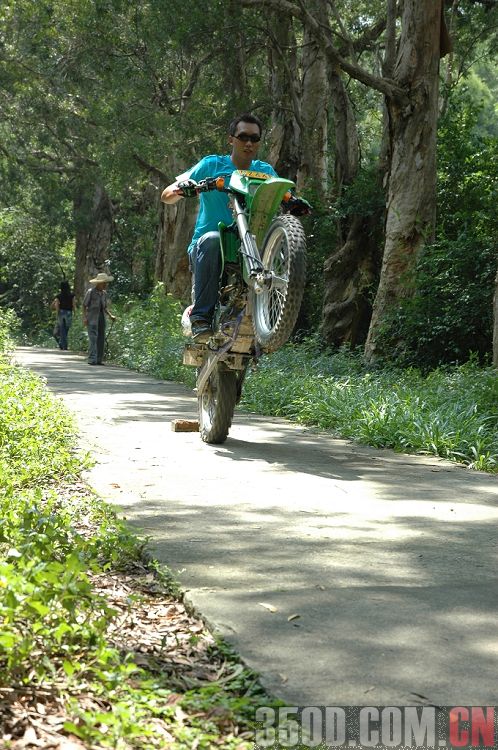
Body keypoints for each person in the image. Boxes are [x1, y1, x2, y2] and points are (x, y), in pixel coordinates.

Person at [161, 112, 309, 340]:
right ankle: (200, 317)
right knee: (212, 239)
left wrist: (294, 202)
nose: (248, 143)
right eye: (243, 137)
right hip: (209, 251)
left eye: (254, 138)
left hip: (250, 250)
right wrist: (187, 188)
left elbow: (285, 194)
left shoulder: (265, 172)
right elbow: (167, 195)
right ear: (231, 139)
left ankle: (263, 318)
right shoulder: (212, 165)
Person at [83, 272, 116, 365]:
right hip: (92, 318)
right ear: (99, 283)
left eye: (106, 283)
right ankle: (92, 359)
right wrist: (85, 318)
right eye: (104, 283)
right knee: (93, 338)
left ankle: (99, 359)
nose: (105, 285)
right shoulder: (90, 292)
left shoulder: (104, 293)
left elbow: (104, 307)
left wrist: (110, 315)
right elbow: (84, 305)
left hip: (101, 317)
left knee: (101, 338)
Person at [51, 280, 75, 350]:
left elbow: (57, 305)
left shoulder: (59, 296)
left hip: (61, 312)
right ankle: (64, 345)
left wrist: (57, 313)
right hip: (69, 313)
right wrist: (74, 312)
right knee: (66, 329)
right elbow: (73, 304)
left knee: (62, 329)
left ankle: (63, 345)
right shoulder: (72, 295)